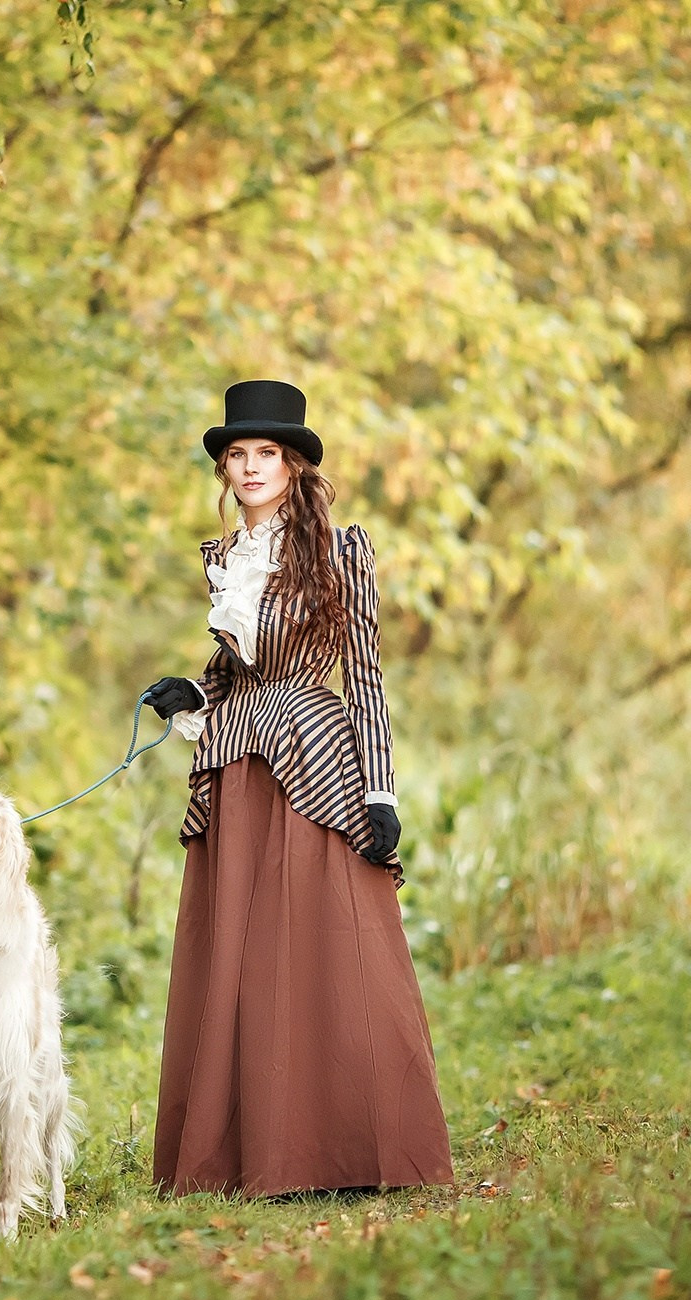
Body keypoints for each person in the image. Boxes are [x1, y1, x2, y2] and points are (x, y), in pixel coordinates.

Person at [143, 379, 454, 1198]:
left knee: (331, 947)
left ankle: (345, 1149)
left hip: (316, 760)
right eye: (236, 455)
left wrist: (381, 792)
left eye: (265, 454)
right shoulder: (222, 558)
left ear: (293, 465)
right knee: (244, 954)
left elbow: (367, 677)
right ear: (225, 470)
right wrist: (191, 695)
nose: (248, 467)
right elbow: (233, 671)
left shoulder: (340, 549)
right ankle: (251, 1155)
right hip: (237, 760)